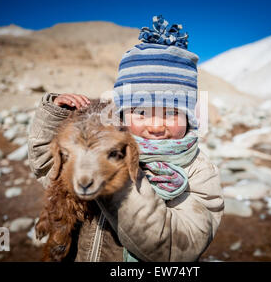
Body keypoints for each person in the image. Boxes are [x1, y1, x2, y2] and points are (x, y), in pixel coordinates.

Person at [27, 15, 224, 262]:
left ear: (189, 116)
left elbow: (178, 249)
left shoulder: (198, 171)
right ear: (121, 114)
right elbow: (48, 169)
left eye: (172, 112)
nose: (156, 126)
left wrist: (116, 182)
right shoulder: (100, 148)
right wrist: (55, 116)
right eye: (141, 112)